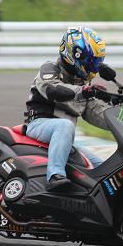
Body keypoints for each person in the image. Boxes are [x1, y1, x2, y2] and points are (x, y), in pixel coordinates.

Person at [23, 26, 114, 192]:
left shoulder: (83, 83)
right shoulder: (50, 68)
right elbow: (52, 89)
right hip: (39, 125)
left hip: (65, 138)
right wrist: (85, 92)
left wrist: (122, 118)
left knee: (104, 169)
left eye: (95, 62)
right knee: (65, 125)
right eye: (90, 61)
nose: (92, 66)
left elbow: (96, 113)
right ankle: (55, 175)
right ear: (75, 54)